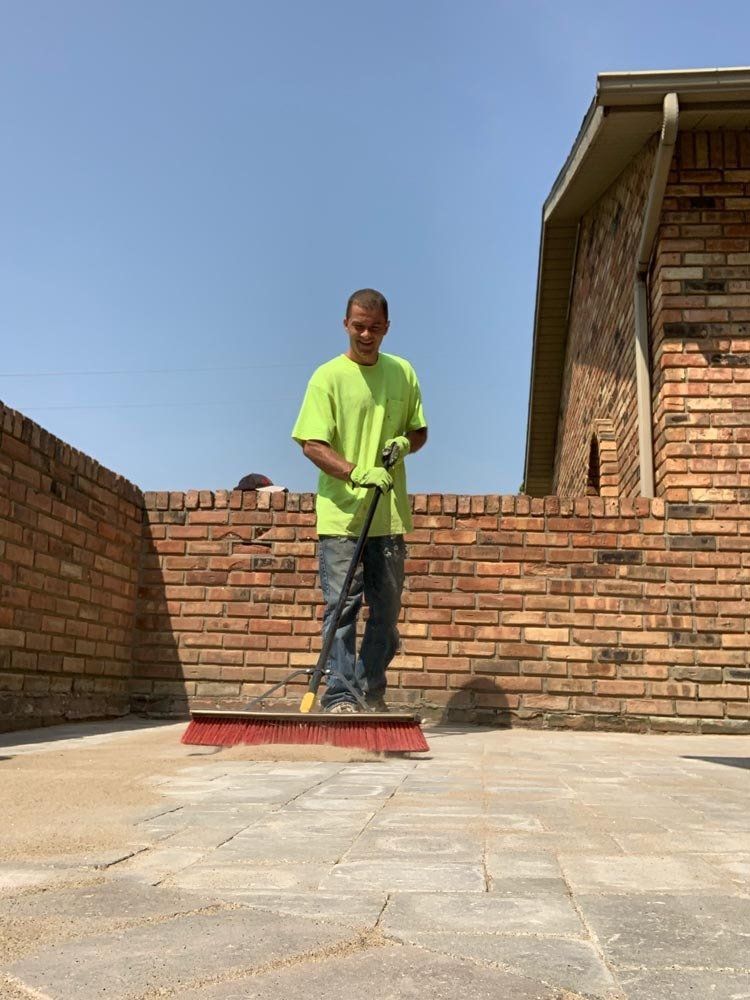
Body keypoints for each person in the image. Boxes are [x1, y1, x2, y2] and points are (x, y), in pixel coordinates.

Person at [291, 288, 428, 713]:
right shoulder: (327, 377)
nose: (366, 335)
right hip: (340, 518)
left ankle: (371, 692)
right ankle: (340, 697)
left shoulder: (402, 372)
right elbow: (311, 443)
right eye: (358, 326)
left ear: (387, 327)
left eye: (374, 327)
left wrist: (406, 442)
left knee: (386, 613)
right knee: (342, 609)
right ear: (345, 324)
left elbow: (420, 430)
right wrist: (354, 470)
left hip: (387, 517)